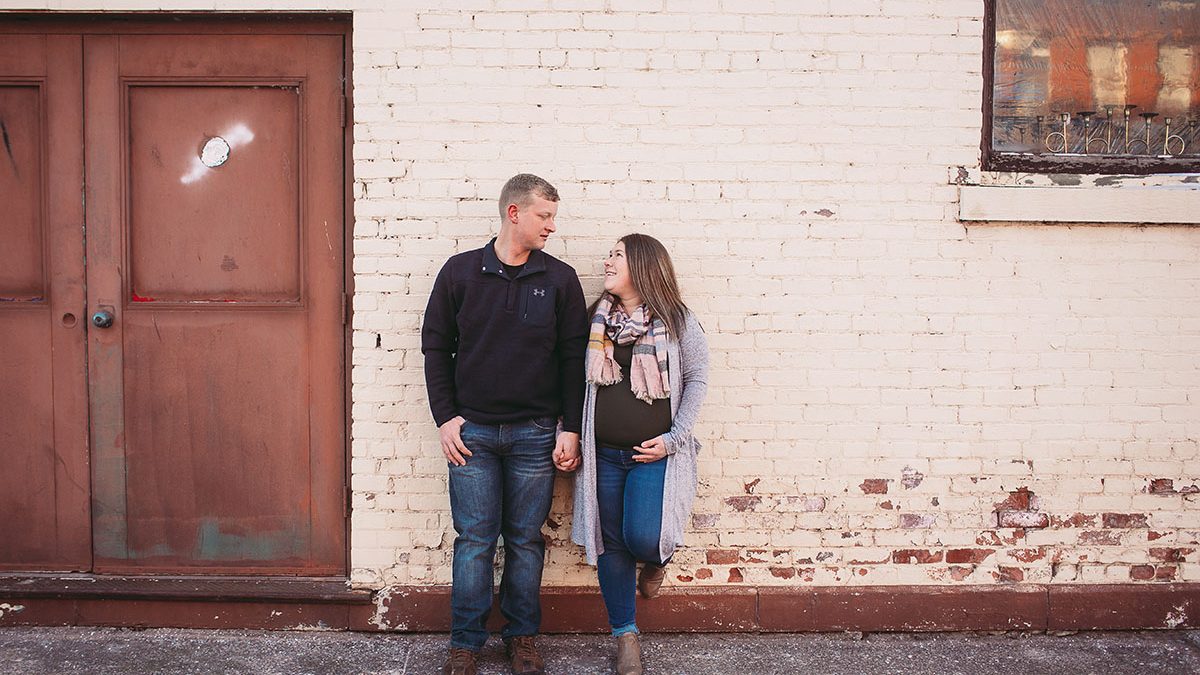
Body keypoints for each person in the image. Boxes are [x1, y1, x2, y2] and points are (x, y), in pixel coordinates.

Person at [422, 173, 587, 675]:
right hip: (472, 435)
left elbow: (572, 358)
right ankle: (465, 644)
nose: (552, 227)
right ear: (514, 213)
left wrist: (570, 427)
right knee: (474, 540)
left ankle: (522, 638)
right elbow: (435, 347)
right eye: (544, 216)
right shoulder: (459, 273)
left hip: (536, 434)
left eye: (553, 217)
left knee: (525, 540)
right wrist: (446, 418)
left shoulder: (559, 279)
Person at [571, 234, 710, 675]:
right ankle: (625, 635)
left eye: (617, 255)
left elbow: (698, 380)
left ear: (644, 266)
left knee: (643, 537)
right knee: (610, 544)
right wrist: (568, 431)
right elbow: (577, 382)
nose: (606, 260)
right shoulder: (596, 320)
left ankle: (657, 559)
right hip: (604, 455)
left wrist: (674, 439)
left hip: (658, 455)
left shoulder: (678, 321)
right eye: (608, 253)